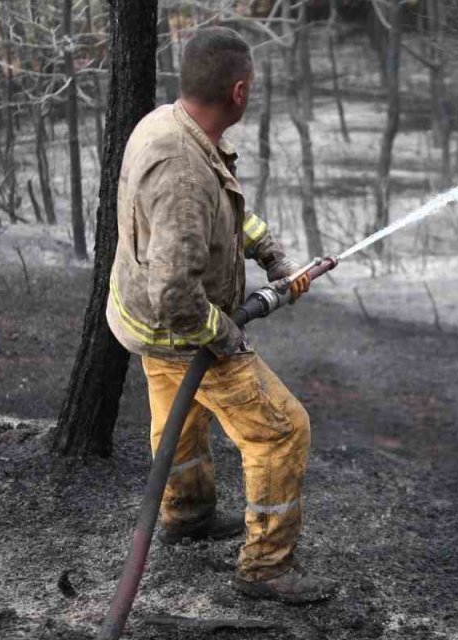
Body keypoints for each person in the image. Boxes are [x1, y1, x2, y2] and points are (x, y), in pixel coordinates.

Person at [105, 26, 336, 604]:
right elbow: (178, 298)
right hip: (179, 327)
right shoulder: (180, 169)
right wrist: (228, 335)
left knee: (178, 421)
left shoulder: (170, 125)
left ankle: (185, 515)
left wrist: (273, 258)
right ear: (239, 91)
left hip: (143, 325)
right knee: (283, 431)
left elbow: (224, 213)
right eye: (251, 86)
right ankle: (265, 569)